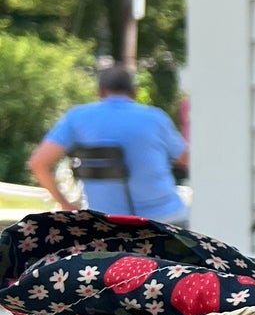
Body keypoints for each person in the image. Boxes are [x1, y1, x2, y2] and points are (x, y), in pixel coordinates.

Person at [29, 65, 189, 223]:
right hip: (165, 221)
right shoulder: (156, 118)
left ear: (99, 92)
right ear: (135, 92)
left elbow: (38, 163)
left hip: (107, 227)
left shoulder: (76, 118)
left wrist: (65, 204)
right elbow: (186, 159)